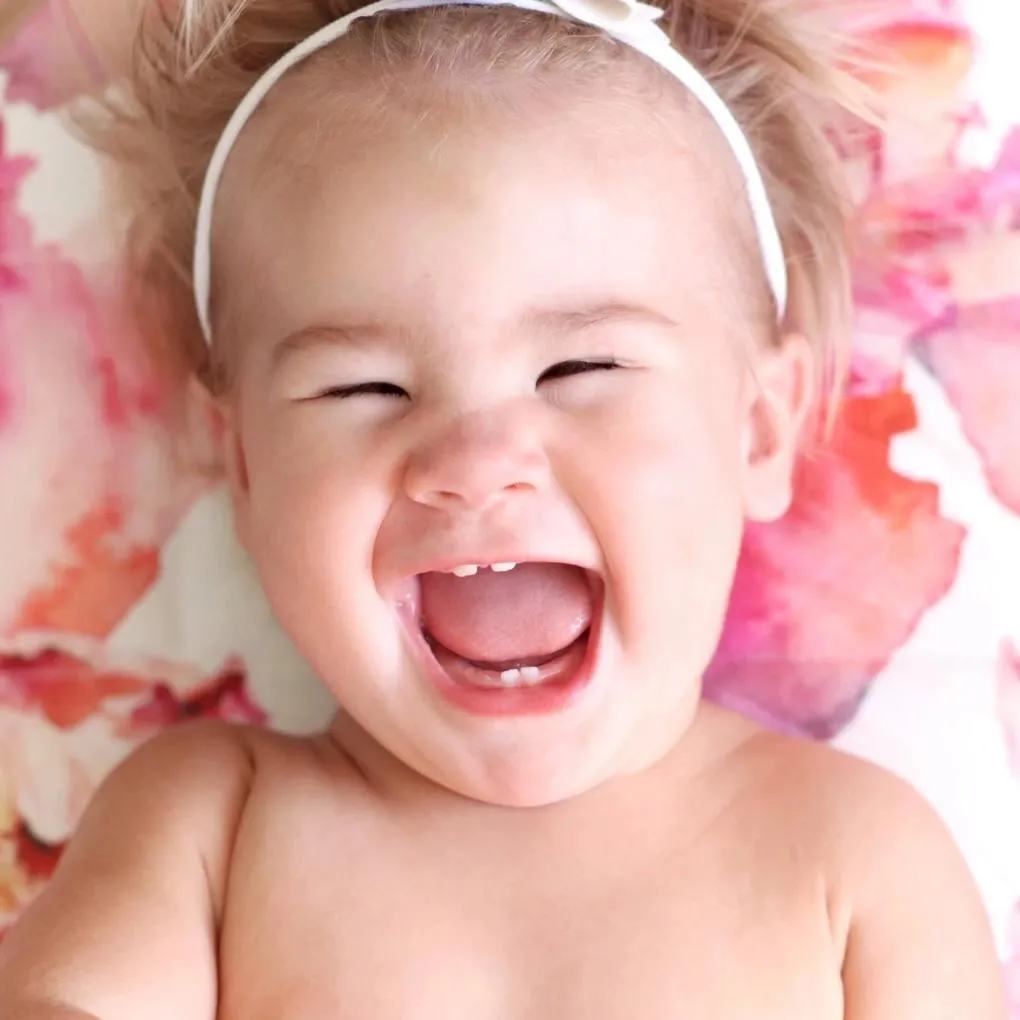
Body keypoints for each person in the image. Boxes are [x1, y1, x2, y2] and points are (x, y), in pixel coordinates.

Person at [0, 0, 1007, 1016]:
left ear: (758, 429)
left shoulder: (854, 860)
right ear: (245, 464)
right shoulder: (210, 827)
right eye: (365, 388)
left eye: (579, 366)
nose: (475, 464)